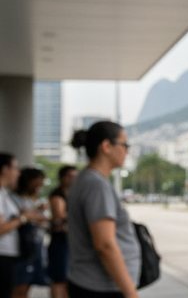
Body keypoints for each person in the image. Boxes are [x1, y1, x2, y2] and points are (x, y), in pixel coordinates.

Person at [68, 122, 140, 298]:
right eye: (125, 145)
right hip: (101, 287)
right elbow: (105, 245)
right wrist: (130, 292)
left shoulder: (86, 179)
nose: (127, 151)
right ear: (106, 146)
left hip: (90, 283)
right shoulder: (96, 185)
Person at [0, 154, 45, 298]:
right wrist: (24, 217)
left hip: (9, 253)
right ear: (4, 169)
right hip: (3, 254)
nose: (18, 172)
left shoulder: (4, 193)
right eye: (14, 168)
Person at [12, 168, 49, 298]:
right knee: (19, 285)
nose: (41, 184)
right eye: (38, 181)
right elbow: (24, 216)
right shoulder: (12, 198)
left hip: (31, 246)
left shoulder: (29, 199)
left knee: (27, 283)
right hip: (21, 248)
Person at [48, 165, 78, 298]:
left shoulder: (72, 194)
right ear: (62, 178)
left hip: (69, 241)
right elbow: (60, 216)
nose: (74, 179)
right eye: (70, 176)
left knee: (67, 279)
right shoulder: (57, 196)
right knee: (59, 279)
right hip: (60, 242)